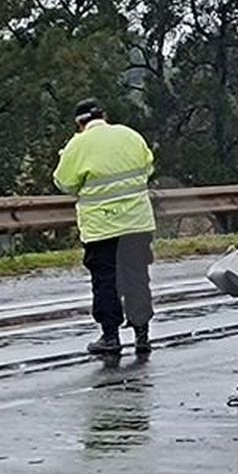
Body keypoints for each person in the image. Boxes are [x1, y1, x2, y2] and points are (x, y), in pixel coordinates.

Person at [53, 99, 156, 356]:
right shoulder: (130, 136)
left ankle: (110, 337)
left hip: (102, 227)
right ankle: (142, 333)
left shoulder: (77, 145)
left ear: (79, 123)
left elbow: (64, 182)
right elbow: (148, 167)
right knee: (136, 276)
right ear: (104, 115)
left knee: (106, 281)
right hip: (137, 223)